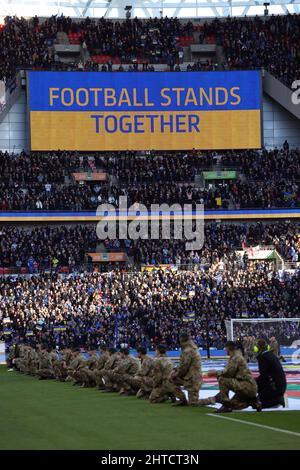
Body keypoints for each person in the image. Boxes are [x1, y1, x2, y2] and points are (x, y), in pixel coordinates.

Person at [198, 341, 260, 413]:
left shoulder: (236, 357)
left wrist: (215, 373)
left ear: (228, 348)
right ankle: (253, 402)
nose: (225, 350)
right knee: (233, 405)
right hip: (247, 386)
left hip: (246, 386)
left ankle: (226, 405)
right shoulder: (235, 356)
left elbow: (228, 373)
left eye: (225, 348)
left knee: (222, 379)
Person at [171, 333, 202, 406]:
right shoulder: (192, 348)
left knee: (193, 403)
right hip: (192, 377)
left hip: (192, 379)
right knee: (172, 378)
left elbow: (184, 367)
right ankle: (183, 400)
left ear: (181, 340)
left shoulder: (187, 350)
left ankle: (213, 399)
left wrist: (176, 374)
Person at [255, 338, 287, 409]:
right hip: (280, 386)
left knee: (256, 404)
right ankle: (277, 398)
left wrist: (253, 383)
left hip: (275, 387)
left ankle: (277, 400)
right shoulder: (270, 355)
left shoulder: (263, 358)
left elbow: (264, 376)